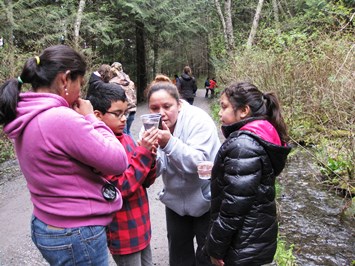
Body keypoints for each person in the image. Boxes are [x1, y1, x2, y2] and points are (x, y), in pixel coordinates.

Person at [0, 45, 128, 265]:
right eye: (80, 83)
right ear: (65, 80)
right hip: (76, 231)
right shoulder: (59, 119)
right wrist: (92, 118)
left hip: (48, 222)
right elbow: (118, 161)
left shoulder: (25, 114)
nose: (81, 91)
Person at [204, 82, 291, 266]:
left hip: (242, 246)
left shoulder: (243, 145)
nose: (219, 113)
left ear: (244, 111)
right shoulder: (260, 136)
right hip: (255, 241)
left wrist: (215, 248)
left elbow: (232, 208)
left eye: (224, 107)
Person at [144, 74, 221, 266]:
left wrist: (169, 143)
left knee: (206, 256)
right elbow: (155, 171)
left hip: (206, 199)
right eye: (154, 108)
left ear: (178, 104)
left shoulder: (198, 120)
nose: (161, 113)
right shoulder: (150, 125)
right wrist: (149, 155)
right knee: (179, 258)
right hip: (175, 203)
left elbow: (199, 162)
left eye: (167, 106)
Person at [86, 81, 158, 266]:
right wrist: (143, 153)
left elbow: (146, 181)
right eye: (117, 114)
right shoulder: (99, 146)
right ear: (98, 115)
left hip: (141, 224)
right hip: (123, 230)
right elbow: (121, 188)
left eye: (125, 113)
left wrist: (150, 155)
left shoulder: (126, 138)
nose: (124, 119)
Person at [110, 62, 137, 137]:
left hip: (124, 113)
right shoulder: (130, 82)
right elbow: (134, 96)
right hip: (133, 110)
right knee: (128, 132)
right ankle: (134, 148)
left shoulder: (113, 83)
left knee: (124, 135)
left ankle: (131, 149)